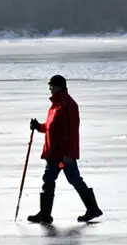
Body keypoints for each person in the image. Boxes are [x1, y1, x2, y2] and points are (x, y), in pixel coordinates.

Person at [27, 74, 103, 224]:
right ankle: (45, 214)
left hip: (63, 156)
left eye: (52, 86)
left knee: (72, 179)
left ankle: (92, 209)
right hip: (53, 154)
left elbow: (73, 131)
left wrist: (69, 154)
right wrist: (38, 127)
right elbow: (51, 128)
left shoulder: (68, 105)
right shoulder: (55, 106)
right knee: (50, 179)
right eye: (50, 86)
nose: (50, 89)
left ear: (60, 87)